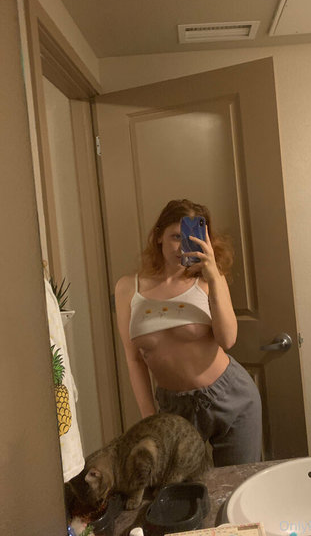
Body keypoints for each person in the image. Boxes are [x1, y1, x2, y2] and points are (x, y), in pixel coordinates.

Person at [115, 199, 262, 466]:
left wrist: (213, 275)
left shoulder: (208, 281)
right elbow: (133, 358)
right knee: (181, 484)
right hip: (173, 407)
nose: (183, 246)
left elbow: (228, 339)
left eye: (194, 238)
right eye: (176, 236)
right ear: (158, 236)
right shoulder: (127, 288)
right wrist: (150, 417)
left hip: (230, 396)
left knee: (239, 482)